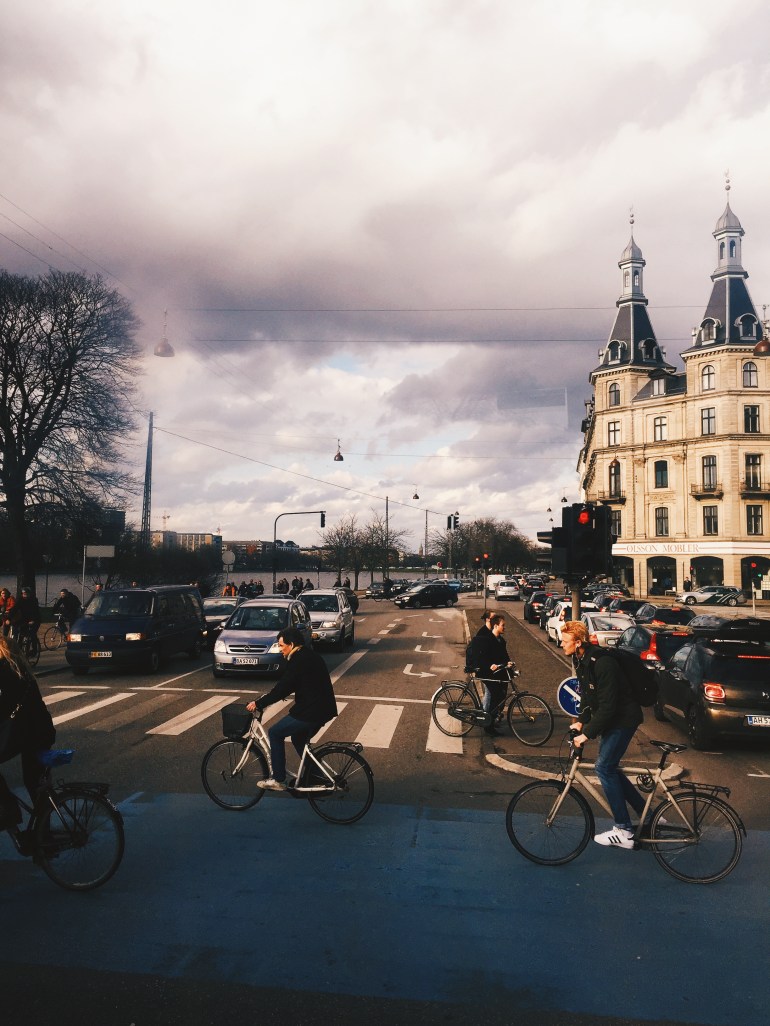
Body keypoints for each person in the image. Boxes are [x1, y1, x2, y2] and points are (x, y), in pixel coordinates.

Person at [560, 619, 645, 849]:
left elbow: (608, 707)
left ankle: (624, 830)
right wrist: (580, 723)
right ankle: (647, 814)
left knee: (603, 767)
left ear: (578, 642)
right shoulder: (580, 660)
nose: (561, 644)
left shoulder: (602, 663)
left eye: (566, 640)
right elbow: (589, 699)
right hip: (613, 719)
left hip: (624, 719)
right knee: (611, 768)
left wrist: (586, 734)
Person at [246, 627, 337, 791]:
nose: (280, 649)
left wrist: (259, 703)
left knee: (275, 732)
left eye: (281, 646)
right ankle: (314, 776)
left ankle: (278, 779)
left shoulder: (298, 660)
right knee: (298, 738)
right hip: (322, 708)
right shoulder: (308, 655)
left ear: (292, 644)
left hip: (311, 710)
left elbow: (283, 688)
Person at [0, 634, 56, 829]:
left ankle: (9, 810)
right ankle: (42, 840)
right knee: (34, 783)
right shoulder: (20, 669)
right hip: (40, 731)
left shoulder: (5, 671)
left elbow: (3, 706)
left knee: (33, 781)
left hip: (30, 734)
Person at [473, 613, 513, 736]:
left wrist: (508, 663)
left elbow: (504, 656)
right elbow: (481, 658)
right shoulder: (487, 640)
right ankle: (487, 725)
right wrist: (490, 665)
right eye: (503, 625)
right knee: (493, 697)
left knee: (499, 697)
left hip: (497, 674)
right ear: (496, 626)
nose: (504, 627)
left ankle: (490, 719)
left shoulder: (501, 641)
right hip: (487, 673)